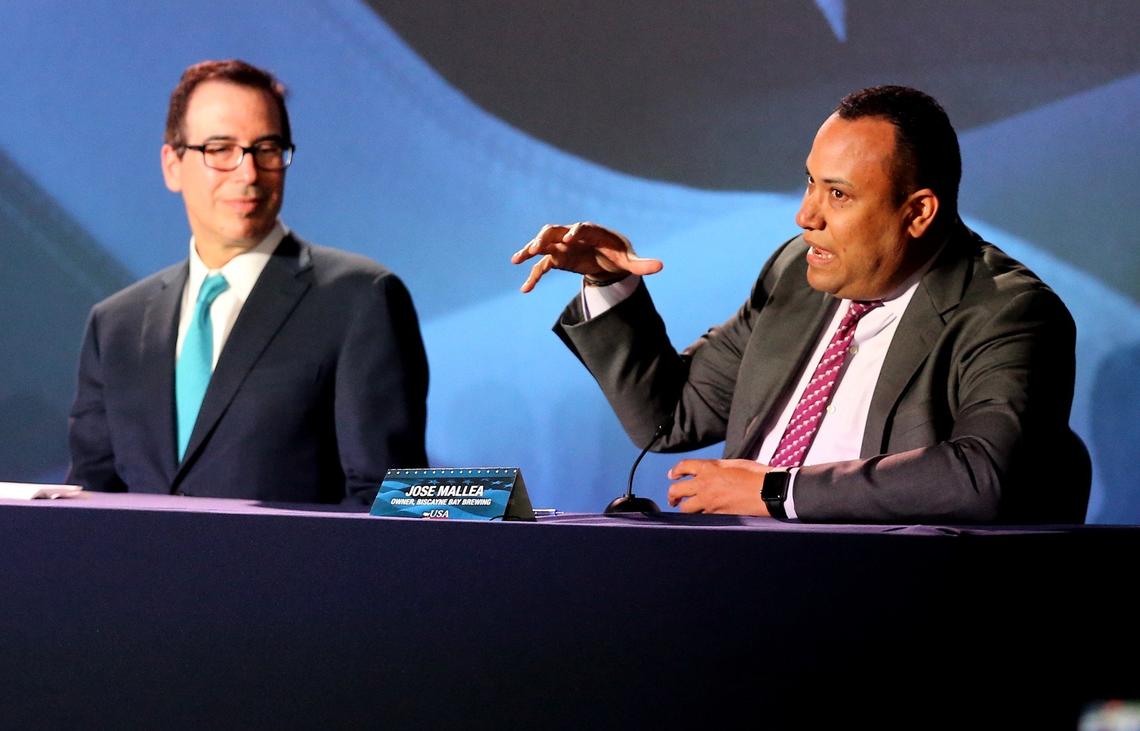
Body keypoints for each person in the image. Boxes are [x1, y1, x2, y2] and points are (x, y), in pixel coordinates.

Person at [511, 85, 1089, 523]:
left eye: (838, 194)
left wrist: (774, 491)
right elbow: (672, 419)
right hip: (730, 577)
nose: (806, 216)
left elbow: (984, 473)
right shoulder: (797, 271)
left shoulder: (1007, 311)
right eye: (810, 182)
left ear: (917, 213)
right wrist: (608, 284)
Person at [67, 59, 428, 505]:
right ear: (172, 164)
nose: (249, 173)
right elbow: (88, 499)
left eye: (268, 148)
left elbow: (388, 498)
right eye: (220, 149)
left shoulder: (360, 299)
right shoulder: (115, 325)